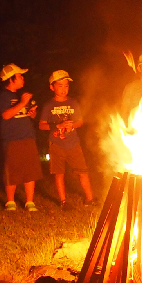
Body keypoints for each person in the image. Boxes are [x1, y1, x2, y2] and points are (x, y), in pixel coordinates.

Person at [39, 70, 94, 210]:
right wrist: (58, 125)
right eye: (60, 86)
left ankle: (90, 198)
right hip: (56, 144)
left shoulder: (73, 103)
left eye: (66, 86)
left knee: (83, 171)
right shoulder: (48, 106)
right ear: (52, 87)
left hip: (73, 143)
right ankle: (63, 201)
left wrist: (72, 125)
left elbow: (80, 121)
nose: (63, 89)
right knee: (59, 173)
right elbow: (41, 125)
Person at [0, 63, 42, 212]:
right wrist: (22, 103)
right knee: (12, 169)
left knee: (30, 169)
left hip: (27, 136)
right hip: (12, 139)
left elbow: (21, 114)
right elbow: (6, 115)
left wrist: (31, 114)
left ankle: (29, 201)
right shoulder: (3, 96)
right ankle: (10, 201)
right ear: (11, 79)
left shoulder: (18, 96)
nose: (22, 78)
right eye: (20, 76)